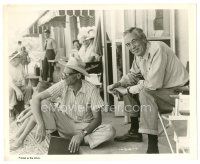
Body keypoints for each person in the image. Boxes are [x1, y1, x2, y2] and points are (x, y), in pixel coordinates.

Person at [107, 27, 189, 153]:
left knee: (144, 92)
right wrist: (118, 84)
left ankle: (152, 147)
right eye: (128, 44)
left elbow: (153, 84)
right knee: (130, 88)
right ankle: (135, 131)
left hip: (181, 95)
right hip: (163, 92)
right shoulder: (139, 55)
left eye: (134, 41)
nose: (132, 47)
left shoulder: (158, 48)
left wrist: (128, 90)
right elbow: (133, 75)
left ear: (144, 39)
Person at [29, 57, 115, 153]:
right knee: (43, 103)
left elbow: (97, 119)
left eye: (67, 74)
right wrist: (40, 125)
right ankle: (59, 138)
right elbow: (36, 98)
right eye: (63, 74)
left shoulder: (91, 90)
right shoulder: (63, 84)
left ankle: (71, 141)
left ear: (78, 76)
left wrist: (81, 134)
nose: (63, 77)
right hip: (65, 124)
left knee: (110, 130)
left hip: (84, 126)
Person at [10, 81, 51, 150]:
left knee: (33, 116)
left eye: (37, 89)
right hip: (49, 117)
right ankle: (18, 136)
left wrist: (22, 119)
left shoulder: (45, 99)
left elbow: (34, 110)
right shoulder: (42, 97)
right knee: (31, 116)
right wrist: (24, 111)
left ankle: (20, 140)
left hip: (51, 120)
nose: (36, 90)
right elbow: (32, 107)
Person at [9, 52, 33, 121]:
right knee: (10, 89)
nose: (19, 60)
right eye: (17, 59)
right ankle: (11, 109)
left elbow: (25, 75)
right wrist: (17, 90)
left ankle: (26, 106)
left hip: (20, 85)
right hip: (12, 86)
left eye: (19, 59)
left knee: (29, 88)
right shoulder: (6, 67)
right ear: (12, 60)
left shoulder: (20, 65)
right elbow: (9, 82)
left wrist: (25, 81)